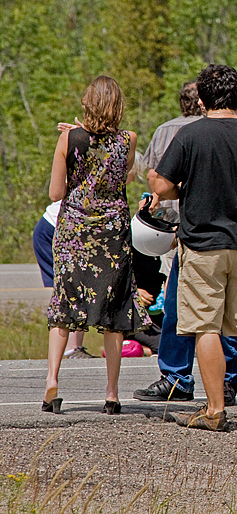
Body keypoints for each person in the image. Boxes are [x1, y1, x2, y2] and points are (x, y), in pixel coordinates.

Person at [150, 65, 237, 433]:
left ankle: (214, 410)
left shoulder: (190, 135)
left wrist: (187, 190)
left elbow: (160, 185)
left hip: (202, 245)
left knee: (206, 327)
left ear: (202, 98)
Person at [45, 76, 150, 414]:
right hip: (112, 234)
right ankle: (112, 392)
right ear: (118, 106)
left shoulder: (68, 139)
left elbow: (56, 193)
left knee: (64, 304)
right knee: (114, 310)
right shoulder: (128, 140)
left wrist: (71, 142)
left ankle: (51, 382)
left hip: (74, 234)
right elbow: (124, 176)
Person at [134, 82, 237, 406]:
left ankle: (175, 377)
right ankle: (226, 381)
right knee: (227, 313)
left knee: (177, 308)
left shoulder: (171, 132)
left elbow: (155, 178)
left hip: (186, 230)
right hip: (229, 230)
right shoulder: (234, 130)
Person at [33, 200, 93, 358]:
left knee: (80, 287)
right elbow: (56, 193)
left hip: (70, 229)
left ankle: (75, 347)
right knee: (72, 288)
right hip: (54, 230)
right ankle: (72, 349)